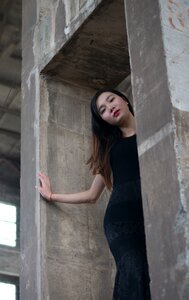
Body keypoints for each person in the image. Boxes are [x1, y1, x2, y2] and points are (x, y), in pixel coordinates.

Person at [37, 89, 151, 299]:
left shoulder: (154, 130)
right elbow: (92, 194)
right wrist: (52, 196)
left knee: (152, 270)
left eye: (111, 100)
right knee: (133, 267)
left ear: (124, 99)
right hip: (121, 222)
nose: (110, 108)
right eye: (103, 110)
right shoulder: (110, 149)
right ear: (104, 120)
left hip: (151, 214)